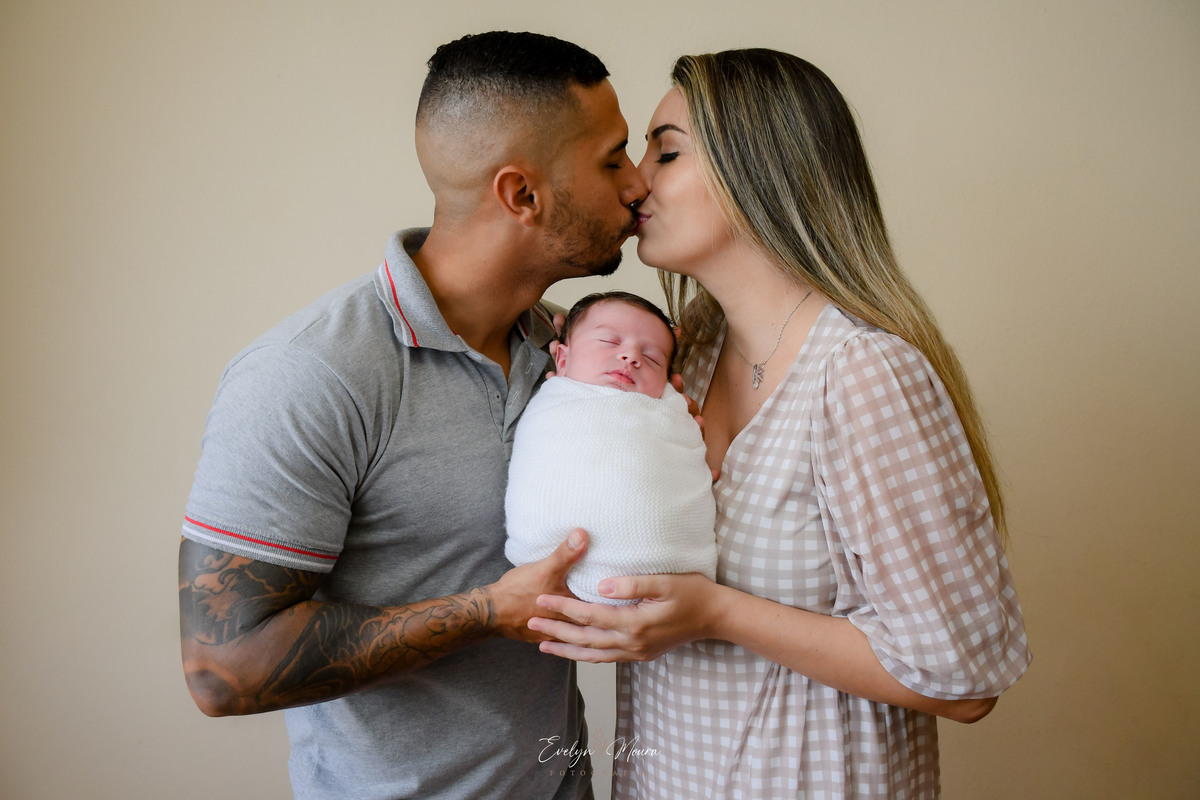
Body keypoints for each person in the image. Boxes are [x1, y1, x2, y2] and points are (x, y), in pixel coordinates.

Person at [530, 49, 1031, 798]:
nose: (636, 179)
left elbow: (962, 683)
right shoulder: (683, 352)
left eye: (666, 151)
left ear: (759, 172)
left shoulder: (863, 376)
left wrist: (717, 613)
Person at [176, 31, 648, 800]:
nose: (636, 186)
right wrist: (488, 612)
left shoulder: (565, 350)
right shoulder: (310, 374)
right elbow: (223, 669)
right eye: (611, 160)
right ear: (521, 194)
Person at [504, 291, 717, 605]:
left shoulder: (669, 412)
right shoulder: (552, 406)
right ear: (562, 359)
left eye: (653, 357)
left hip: (666, 580)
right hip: (544, 571)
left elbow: (682, 469)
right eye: (609, 342)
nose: (632, 357)